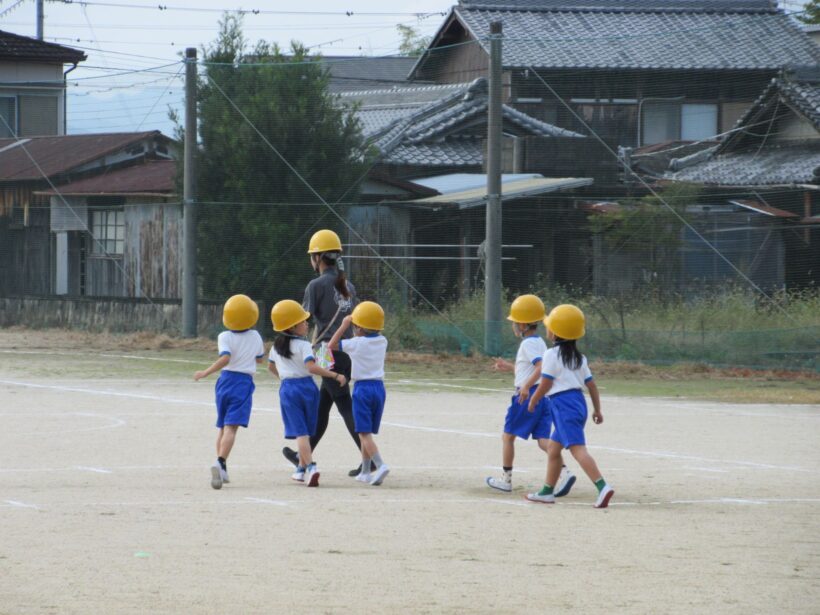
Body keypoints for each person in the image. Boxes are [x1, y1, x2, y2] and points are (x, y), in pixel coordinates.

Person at [282, 229, 368, 477]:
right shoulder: (348, 284)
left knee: (343, 403)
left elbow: (302, 320)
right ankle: (303, 455)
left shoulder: (315, 285)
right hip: (346, 350)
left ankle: (371, 458)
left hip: (324, 351)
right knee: (322, 406)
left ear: (318, 258)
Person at [486, 294, 575, 497]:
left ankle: (506, 480)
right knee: (544, 440)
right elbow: (531, 368)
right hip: (543, 395)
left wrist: (525, 386)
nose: (513, 326)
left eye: (515, 322)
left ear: (524, 324)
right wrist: (509, 367)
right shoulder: (540, 342)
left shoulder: (528, 344)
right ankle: (565, 473)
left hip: (529, 395)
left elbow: (541, 367)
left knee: (508, 436)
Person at [527, 304, 615, 508]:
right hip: (577, 403)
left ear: (555, 332)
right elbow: (591, 385)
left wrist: (534, 399)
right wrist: (597, 409)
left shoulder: (550, 354)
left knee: (577, 450)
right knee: (554, 449)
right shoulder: (579, 358)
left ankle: (602, 487)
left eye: (549, 326)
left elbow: (546, 383)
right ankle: (547, 491)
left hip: (563, 405)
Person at [269, 299, 348, 487]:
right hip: (306, 388)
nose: (306, 323)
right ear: (292, 326)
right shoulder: (303, 346)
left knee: (300, 431)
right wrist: (335, 375)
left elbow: (271, 367)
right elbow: (312, 368)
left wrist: (285, 376)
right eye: (302, 321)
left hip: (287, 389)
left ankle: (300, 470)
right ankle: (311, 467)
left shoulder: (275, 346)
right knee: (304, 433)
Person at [194, 294, 265, 490]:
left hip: (224, 382)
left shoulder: (223, 336)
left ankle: (222, 467)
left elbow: (226, 358)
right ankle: (220, 461)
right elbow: (259, 359)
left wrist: (206, 372)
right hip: (242, 383)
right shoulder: (256, 336)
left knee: (223, 427)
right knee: (232, 428)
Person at [328, 301, 390, 486]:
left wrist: (344, 325)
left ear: (359, 328)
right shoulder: (383, 341)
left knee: (363, 433)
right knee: (366, 431)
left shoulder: (355, 343)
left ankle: (380, 465)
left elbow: (330, 345)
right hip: (379, 388)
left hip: (362, 389)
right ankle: (365, 471)